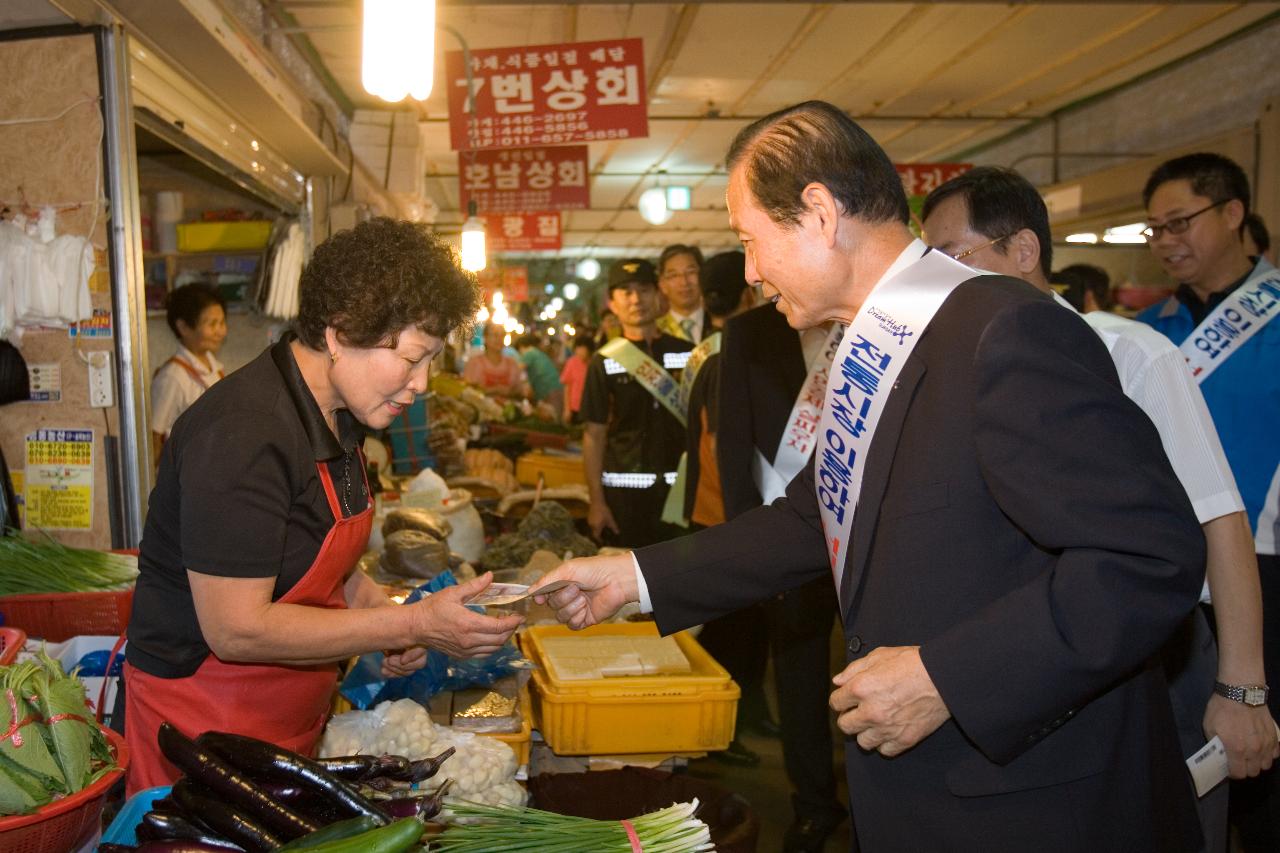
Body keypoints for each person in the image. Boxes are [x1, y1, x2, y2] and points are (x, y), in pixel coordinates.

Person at [534, 101, 1205, 853]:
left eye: (751, 241)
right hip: (924, 799)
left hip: (1036, 806)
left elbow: (1150, 556)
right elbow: (809, 516)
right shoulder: (876, 342)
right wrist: (631, 577)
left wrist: (947, 677)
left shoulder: (999, 330)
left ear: (819, 212)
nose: (749, 272)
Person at [921, 165, 1277, 853]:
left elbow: (1219, 516)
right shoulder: (958, 368)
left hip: (1157, 652)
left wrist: (1242, 691)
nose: (935, 283)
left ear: (1022, 251)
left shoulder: (1130, 352)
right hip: (1047, 655)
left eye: (952, 260)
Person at [124, 218, 522, 795]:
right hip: (199, 731)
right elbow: (236, 630)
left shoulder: (339, 414)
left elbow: (325, 561)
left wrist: (382, 620)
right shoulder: (243, 434)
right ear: (340, 332)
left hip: (285, 724)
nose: (422, 382)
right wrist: (410, 622)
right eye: (412, 357)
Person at [1136, 153, 1280, 853]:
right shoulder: (1145, 333)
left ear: (1233, 213)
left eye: (1179, 223)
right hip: (1174, 579)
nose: (1166, 241)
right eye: (1154, 230)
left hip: (1267, 567)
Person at [717, 296, 847, 851]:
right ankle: (815, 804)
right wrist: (750, 543)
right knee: (799, 675)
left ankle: (880, 803)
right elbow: (733, 440)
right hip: (790, 532)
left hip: (874, 532)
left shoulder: (883, 313)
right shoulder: (750, 332)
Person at [670, 250, 764, 767]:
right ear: (749, 295)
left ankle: (740, 723)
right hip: (727, 518)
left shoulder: (711, 355)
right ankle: (719, 737)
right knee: (729, 639)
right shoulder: (734, 356)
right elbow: (720, 447)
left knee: (739, 635)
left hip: (720, 516)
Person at [580, 259, 691, 548]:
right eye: (625, 292)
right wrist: (596, 503)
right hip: (623, 501)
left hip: (681, 496)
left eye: (643, 289)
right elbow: (594, 435)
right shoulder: (603, 362)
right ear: (613, 303)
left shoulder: (689, 353)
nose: (636, 299)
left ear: (657, 295)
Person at [151, 283, 227, 467]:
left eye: (222, 322)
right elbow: (155, 436)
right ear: (183, 327)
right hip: (185, 478)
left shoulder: (215, 368)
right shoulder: (173, 376)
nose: (220, 331)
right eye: (211, 324)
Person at [655, 244, 712, 343]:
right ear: (662, 285)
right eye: (674, 275)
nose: (684, 282)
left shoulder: (720, 324)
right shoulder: (655, 331)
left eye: (691, 272)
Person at [462, 323, 529, 397]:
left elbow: (519, 390)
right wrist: (493, 391)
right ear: (485, 338)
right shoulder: (474, 363)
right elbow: (467, 390)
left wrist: (510, 392)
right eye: (495, 335)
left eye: (502, 335)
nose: (499, 339)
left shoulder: (512, 363)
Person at [514, 333, 563, 413]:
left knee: (552, 418)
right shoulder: (537, 353)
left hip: (550, 391)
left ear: (521, 346)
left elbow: (516, 370)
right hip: (555, 389)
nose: (520, 354)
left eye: (519, 351)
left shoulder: (529, 353)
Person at [559, 335, 593, 423]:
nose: (579, 352)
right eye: (578, 349)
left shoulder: (594, 364)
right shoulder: (572, 362)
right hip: (574, 406)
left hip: (591, 407)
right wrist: (567, 409)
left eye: (583, 349)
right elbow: (567, 387)